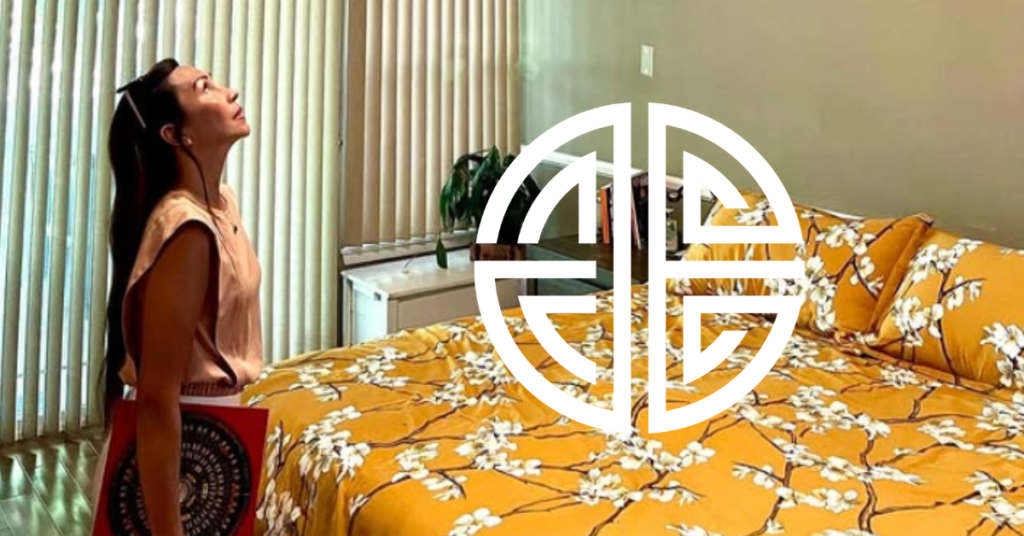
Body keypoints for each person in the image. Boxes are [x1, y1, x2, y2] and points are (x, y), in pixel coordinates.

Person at [96, 58, 263, 536]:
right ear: (176, 135)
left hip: (217, 434)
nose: (229, 91)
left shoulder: (221, 201)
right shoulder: (186, 227)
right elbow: (156, 397)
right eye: (205, 88)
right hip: (184, 448)